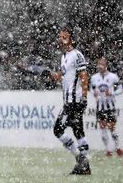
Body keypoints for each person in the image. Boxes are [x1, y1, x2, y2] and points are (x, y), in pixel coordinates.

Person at [50, 27, 91, 175]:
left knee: (58, 129)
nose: (61, 39)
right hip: (69, 101)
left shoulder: (76, 55)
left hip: (74, 102)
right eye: (60, 37)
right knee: (78, 131)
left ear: (71, 39)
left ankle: (80, 159)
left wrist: (84, 98)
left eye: (64, 37)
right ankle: (84, 166)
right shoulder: (64, 57)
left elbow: (84, 76)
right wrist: (55, 76)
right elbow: (64, 76)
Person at [90, 57, 122, 157]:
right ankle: (108, 150)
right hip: (100, 107)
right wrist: (94, 93)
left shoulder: (113, 77)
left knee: (112, 128)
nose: (99, 66)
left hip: (110, 106)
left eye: (102, 64)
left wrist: (112, 93)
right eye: (98, 64)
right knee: (103, 127)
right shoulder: (94, 77)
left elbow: (120, 89)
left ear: (106, 65)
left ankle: (117, 147)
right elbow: (91, 89)